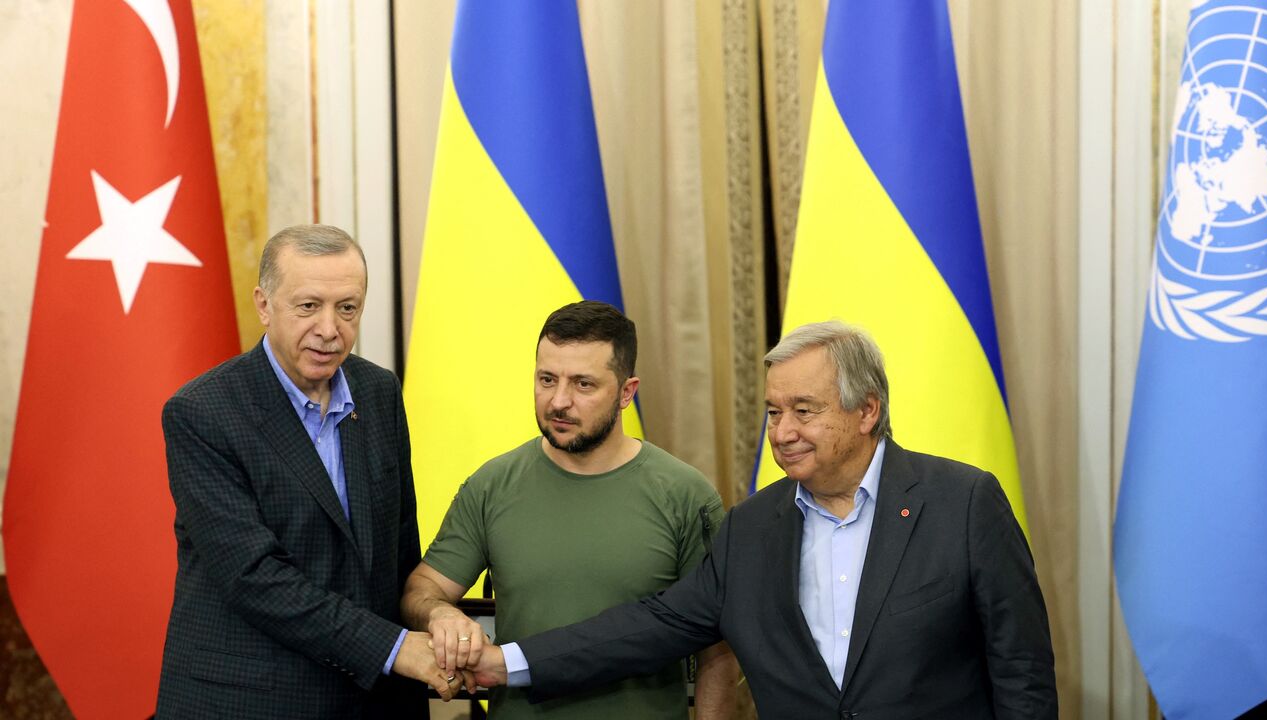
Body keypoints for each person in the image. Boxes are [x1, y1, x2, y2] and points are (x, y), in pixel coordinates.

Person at [465, 321, 1057, 718]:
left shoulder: (963, 503)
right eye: (773, 412)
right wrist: (505, 663)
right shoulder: (751, 529)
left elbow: (1022, 670)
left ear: (867, 411)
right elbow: (648, 627)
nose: (782, 433)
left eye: (804, 411)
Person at [156, 225, 461, 718]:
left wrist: (432, 620)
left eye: (348, 307)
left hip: (373, 696)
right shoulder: (202, 412)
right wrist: (394, 648)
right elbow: (254, 577)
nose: (329, 328)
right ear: (263, 305)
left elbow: (398, 548)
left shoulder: (379, 392)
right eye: (307, 306)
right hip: (252, 698)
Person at [400, 300, 737, 719]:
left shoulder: (686, 496)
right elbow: (421, 590)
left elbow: (718, 650)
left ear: (627, 392)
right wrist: (440, 614)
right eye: (546, 379)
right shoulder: (492, 485)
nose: (558, 401)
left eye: (583, 384)